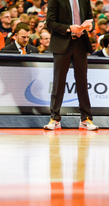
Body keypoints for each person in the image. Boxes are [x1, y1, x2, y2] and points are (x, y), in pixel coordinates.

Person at [44, 0, 98, 131]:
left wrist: (90, 26)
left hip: (80, 43)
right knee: (59, 82)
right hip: (62, 43)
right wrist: (69, 28)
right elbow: (49, 23)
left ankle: (86, 119)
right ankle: (55, 118)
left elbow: (90, 19)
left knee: (82, 82)